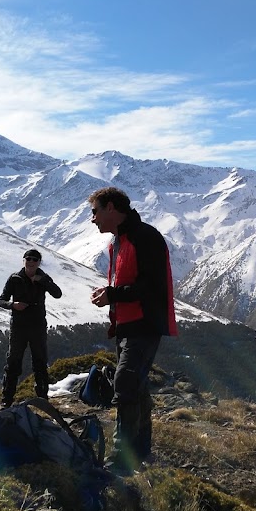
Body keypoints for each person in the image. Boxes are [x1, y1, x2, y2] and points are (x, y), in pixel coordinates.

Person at [88, 187, 178, 475]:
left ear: (111, 208)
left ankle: (122, 458)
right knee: (135, 385)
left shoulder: (144, 237)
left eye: (95, 212)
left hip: (145, 323)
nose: (93, 219)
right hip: (128, 324)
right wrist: (111, 299)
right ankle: (140, 451)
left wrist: (113, 295)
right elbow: (128, 283)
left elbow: (149, 286)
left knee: (125, 382)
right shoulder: (119, 241)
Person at [0, 248, 63, 406]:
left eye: (35, 259)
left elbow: (57, 293)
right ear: (23, 260)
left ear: (39, 262)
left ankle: (43, 399)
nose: (31, 262)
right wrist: (13, 305)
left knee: (40, 362)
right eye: (28, 258)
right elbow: (2, 300)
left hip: (37, 326)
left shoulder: (43, 278)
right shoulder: (14, 278)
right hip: (19, 326)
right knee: (13, 363)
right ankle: (6, 400)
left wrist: (42, 281)